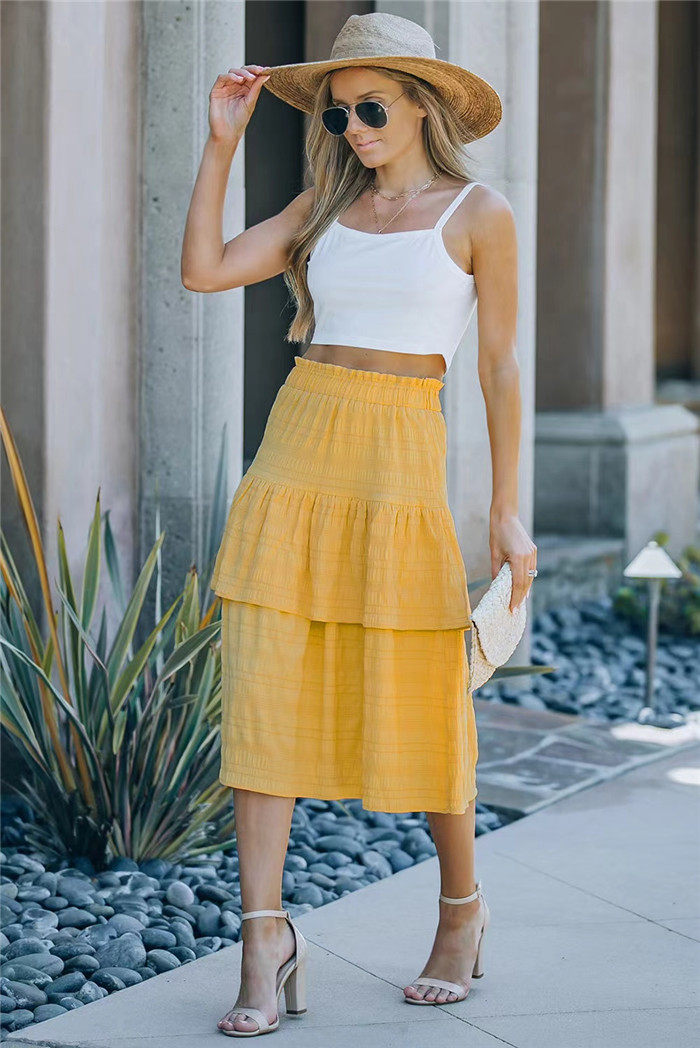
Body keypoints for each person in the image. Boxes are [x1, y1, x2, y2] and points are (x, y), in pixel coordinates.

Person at [181, 11, 537, 1038]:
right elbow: (204, 271)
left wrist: (505, 507)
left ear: (422, 104)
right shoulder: (324, 207)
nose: (354, 129)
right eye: (338, 115)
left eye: (371, 108)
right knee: (264, 689)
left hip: (399, 460)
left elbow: (499, 367)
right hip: (298, 449)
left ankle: (461, 911)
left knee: (427, 694)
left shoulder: (479, 212)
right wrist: (221, 142)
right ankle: (264, 939)